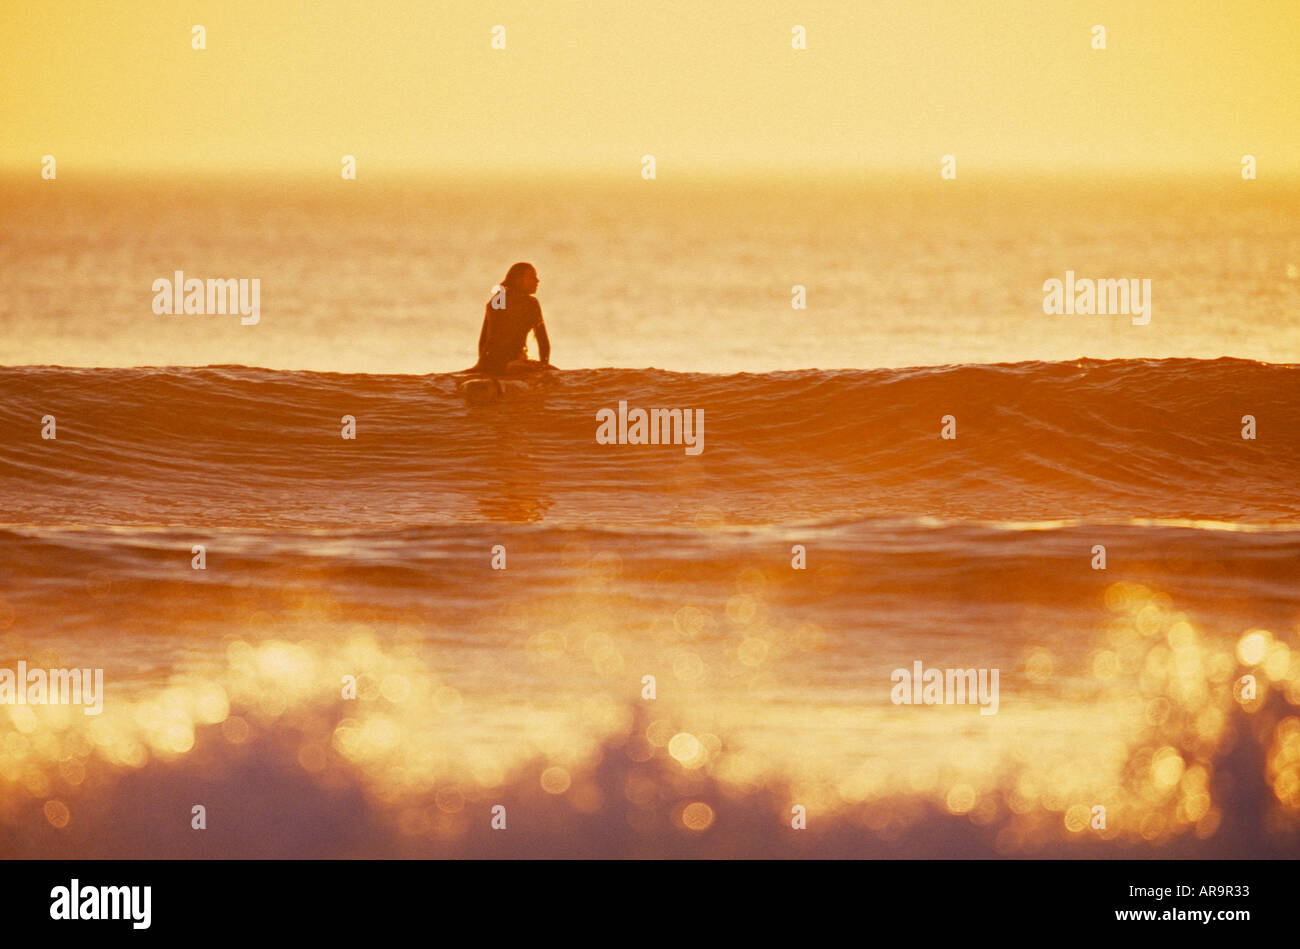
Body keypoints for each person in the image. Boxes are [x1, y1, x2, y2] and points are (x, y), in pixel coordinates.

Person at [472, 262, 551, 374]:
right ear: (518, 280)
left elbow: (484, 340)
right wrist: (544, 366)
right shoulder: (531, 304)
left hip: (491, 362)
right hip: (510, 363)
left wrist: (483, 364)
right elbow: (543, 342)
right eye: (532, 277)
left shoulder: (498, 299)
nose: (537, 281)